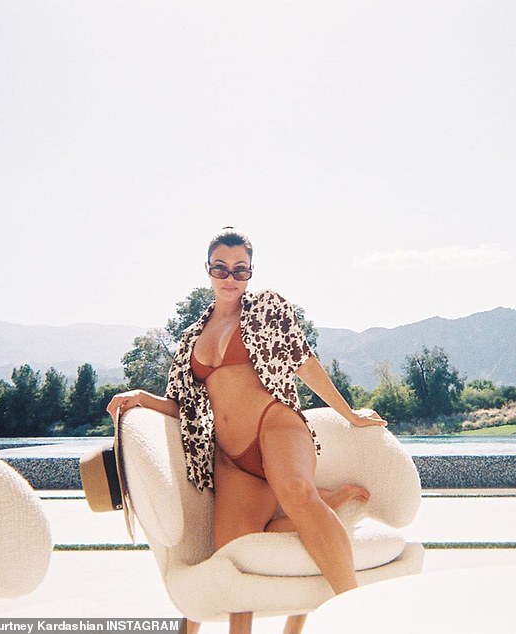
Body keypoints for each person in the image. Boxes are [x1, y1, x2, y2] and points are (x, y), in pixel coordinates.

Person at [107, 227, 386, 627]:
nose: (230, 278)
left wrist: (349, 415)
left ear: (251, 272)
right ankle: (328, 503)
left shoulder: (267, 307)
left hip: (275, 424)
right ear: (207, 269)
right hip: (232, 458)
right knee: (237, 558)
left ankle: (359, 616)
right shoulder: (191, 337)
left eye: (241, 270)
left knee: (296, 492)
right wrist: (140, 397)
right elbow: (182, 406)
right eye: (221, 268)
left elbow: (304, 362)